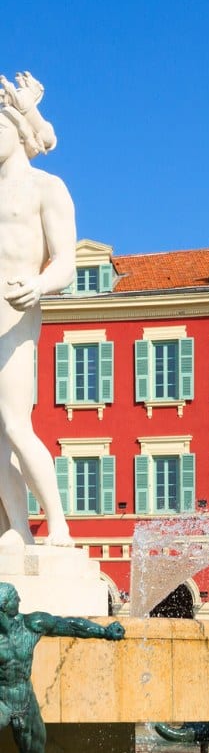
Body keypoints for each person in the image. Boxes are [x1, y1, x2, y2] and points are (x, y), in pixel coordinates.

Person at [0, 74, 76, 547]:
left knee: (14, 422)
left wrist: (39, 284)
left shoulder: (46, 187)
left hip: (16, 309)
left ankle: (60, 526)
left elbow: (67, 259)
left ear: (16, 131)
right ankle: (19, 531)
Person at [0, 581, 124, 753]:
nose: (20, 599)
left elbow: (70, 625)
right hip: (1, 698)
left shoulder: (32, 624)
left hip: (25, 698)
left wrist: (104, 631)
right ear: (4, 606)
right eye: (15, 597)